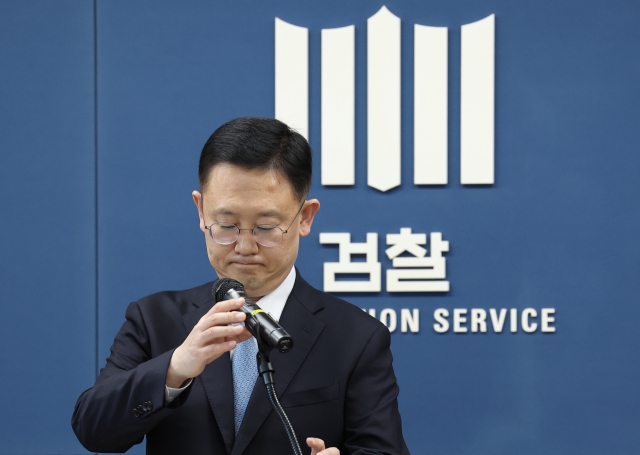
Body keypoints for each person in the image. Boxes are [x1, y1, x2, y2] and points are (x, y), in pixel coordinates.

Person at [72, 117, 410, 455]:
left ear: (305, 217)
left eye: (265, 227)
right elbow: (94, 430)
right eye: (226, 224)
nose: (245, 247)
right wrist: (175, 368)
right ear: (200, 211)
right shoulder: (154, 319)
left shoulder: (356, 336)